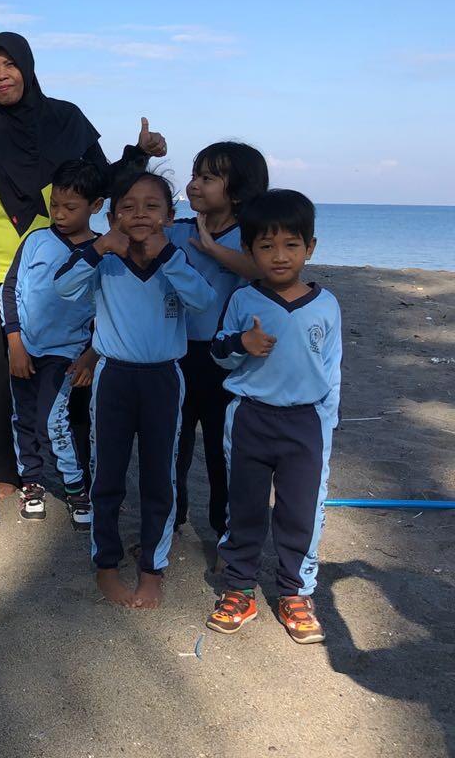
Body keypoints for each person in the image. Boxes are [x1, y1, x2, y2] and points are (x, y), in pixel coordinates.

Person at [0, 32, 166, 496]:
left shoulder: (67, 119)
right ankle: (8, 471)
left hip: (74, 266)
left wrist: (139, 154)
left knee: (74, 369)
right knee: (8, 368)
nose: (0, 76)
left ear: (27, 68)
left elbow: (100, 182)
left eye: (9, 65)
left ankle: (78, 469)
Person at [54, 170, 213, 609]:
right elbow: (63, 288)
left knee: (160, 477)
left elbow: (204, 302)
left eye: (152, 206)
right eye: (128, 206)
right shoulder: (103, 260)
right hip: (114, 379)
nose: (140, 214)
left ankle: (152, 569)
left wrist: (169, 258)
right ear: (111, 217)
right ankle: (106, 564)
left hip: (164, 379)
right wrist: (99, 247)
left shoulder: (177, 260)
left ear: (170, 216)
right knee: (107, 475)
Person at [206, 189, 341, 644]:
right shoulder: (244, 300)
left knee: (300, 511)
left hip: (306, 424)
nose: (279, 256)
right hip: (250, 418)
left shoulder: (326, 305)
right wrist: (241, 344)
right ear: (249, 251)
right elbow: (218, 352)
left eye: (291, 245)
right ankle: (239, 588)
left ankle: (295, 592)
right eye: (266, 246)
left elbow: (332, 370)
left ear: (310, 247)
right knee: (244, 506)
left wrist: (327, 423)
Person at [166, 143, 269, 541]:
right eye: (195, 175)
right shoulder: (178, 229)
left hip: (227, 359)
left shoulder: (250, 236)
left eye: (208, 178)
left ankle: (226, 535)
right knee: (173, 446)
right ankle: (170, 523)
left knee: (222, 451)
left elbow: (262, 270)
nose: (195, 184)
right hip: (176, 354)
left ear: (239, 191)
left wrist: (213, 249)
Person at [1, 160, 104, 527]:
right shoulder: (35, 240)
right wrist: (15, 342)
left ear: (96, 206)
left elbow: (109, 312)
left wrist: (91, 355)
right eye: (54, 205)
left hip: (67, 353)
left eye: (70, 207)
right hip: (24, 348)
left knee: (53, 421)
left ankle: (76, 489)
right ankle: (31, 483)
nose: (59, 214)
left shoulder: (102, 253)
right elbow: (10, 289)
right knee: (24, 417)